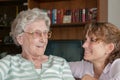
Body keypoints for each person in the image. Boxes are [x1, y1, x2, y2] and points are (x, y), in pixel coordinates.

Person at [0, 8, 75, 80]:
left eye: (45, 33)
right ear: (20, 39)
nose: (43, 39)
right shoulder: (8, 64)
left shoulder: (60, 63)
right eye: (37, 33)